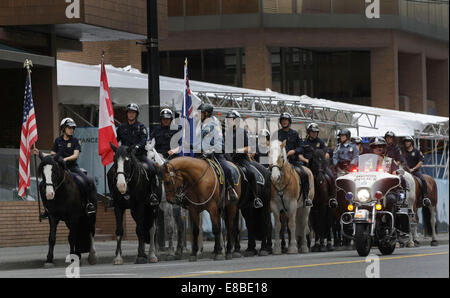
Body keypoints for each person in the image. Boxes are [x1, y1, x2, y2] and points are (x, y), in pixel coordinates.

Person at [33, 118, 96, 218]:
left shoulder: (75, 141)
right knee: (42, 185)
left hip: (72, 168)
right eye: (69, 128)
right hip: (59, 169)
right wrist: (39, 153)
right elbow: (52, 155)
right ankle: (47, 208)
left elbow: (75, 155)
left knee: (85, 180)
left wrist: (65, 159)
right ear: (63, 128)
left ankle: (88, 204)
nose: (71, 130)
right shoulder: (58, 140)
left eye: (72, 128)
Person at [116, 103, 159, 206]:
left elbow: (144, 140)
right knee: (111, 173)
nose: (131, 114)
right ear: (127, 114)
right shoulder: (121, 127)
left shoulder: (141, 127)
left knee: (152, 168)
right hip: (126, 157)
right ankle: (115, 196)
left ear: (136, 114)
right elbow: (116, 140)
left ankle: (153, 194)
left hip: (139, 155)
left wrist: (136, 147)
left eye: (133, 113)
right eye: (129, 112)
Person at [196, 103, 238, 202]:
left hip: (215, 154)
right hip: (202, 154)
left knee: (227, 169)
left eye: (200, 113)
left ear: (206, 113)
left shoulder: (215, 124)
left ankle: (231, 190)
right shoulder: (200, 124)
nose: (198, 115)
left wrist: (211, 150)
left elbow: (219, 141)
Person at [224, 110, 263, 208]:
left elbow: (249, 148)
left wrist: (238, 150)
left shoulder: (242, 131)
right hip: (228, 159)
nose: (229, 121)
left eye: (231, 119)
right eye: (228, 119)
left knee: (251, 173)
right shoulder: (226, 132)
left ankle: (255, 198)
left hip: (241, 159)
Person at [277, 113, 312, 207]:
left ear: (289, 122)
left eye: (286, 120)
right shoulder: (276, 134)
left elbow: (301, 147)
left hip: (293, 162)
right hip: (280, 163)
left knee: (304, 174)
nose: (284, 121)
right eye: (283, 120)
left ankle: (306, 198)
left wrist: (294, 151)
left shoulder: (295, 133)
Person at [301, 123, 337, 207]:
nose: (314, 133)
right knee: (301, 178)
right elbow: (299, 153)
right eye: (312, 132)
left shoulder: (320, 142)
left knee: (331, 176)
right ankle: (305, 197)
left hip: (319, 166)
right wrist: (305, 160)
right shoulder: (304, 143)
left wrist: (327, 152)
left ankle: (332, 198)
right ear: (309, 132)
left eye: (316, 132)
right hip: (307, 165)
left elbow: (327, 149)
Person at [402, 136, 430, 206]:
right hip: (405, 172)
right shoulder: (403, 152)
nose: (406, 143)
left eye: (408, 141)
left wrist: (413, 169)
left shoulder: (417, 151)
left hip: (415, 171)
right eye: (405, 141)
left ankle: (425, 197)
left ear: (411, 142)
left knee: (423, 180)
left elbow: (421, 161)